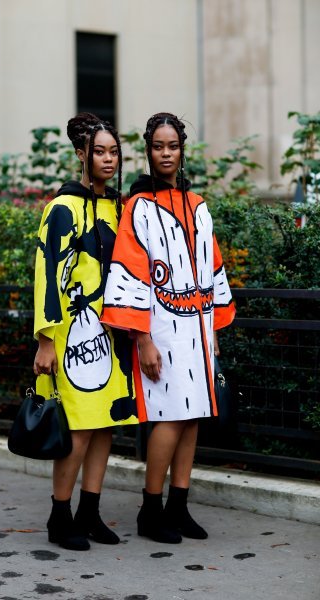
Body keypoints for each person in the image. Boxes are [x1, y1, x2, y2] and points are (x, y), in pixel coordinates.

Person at [101, 112, 236, 544]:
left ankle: (178, 506)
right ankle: (150, 509)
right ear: (148, 151)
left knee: (192, 417)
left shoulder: (198, 206)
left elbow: (213, 268)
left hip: (198, 326)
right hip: (160, 329)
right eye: (158, 146)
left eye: (172, 146)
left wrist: (212, 329)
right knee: (169, 418)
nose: (166, 153)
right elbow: (130, 273)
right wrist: (142, 339)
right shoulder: (138, 208)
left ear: (182, 150)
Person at [33, 112, 138, 551]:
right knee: (75, 430)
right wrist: (43, 339)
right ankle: (60, 517)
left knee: (105, 424)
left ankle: (90, 513)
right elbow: (47, 270)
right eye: (100, 152)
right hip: (73, 336)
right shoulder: (62, 208)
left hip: (113, 334)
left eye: (114, 152)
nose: (109, 159)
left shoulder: (117, 206)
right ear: (82, 155)